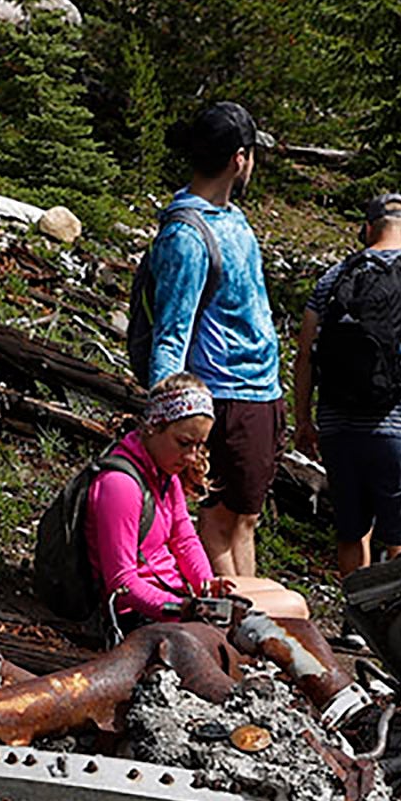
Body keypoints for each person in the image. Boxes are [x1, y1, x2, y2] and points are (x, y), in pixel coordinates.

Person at [138, 101, 283, 584]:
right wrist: (167, 415)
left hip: (256, 393)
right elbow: (172, 331)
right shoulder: (187, 235)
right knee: (221, 521)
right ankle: (237, 628)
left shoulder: (230, 219)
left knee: (244, 519)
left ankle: (250, 628)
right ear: (239, 159)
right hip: (224, 394)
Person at [289, 189, 401, 575]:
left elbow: (305, 354)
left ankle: (355, 626)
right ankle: (393, 625)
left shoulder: (333, 278)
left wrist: (303, 420)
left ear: (366, 229)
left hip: (338, 428)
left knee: (351, 534)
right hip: (397, 429)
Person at [87, 375, 308, 626]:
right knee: (293, 606)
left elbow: (184, 539)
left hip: (177, 593)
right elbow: (122, 582)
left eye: (199, 445)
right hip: (146, 612)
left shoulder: (165, 474)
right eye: (183, 443)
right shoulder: (119, 485)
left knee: (274, 588)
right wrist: (185, 609)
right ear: (154, 427)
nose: (192, 457)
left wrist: (206, 585)